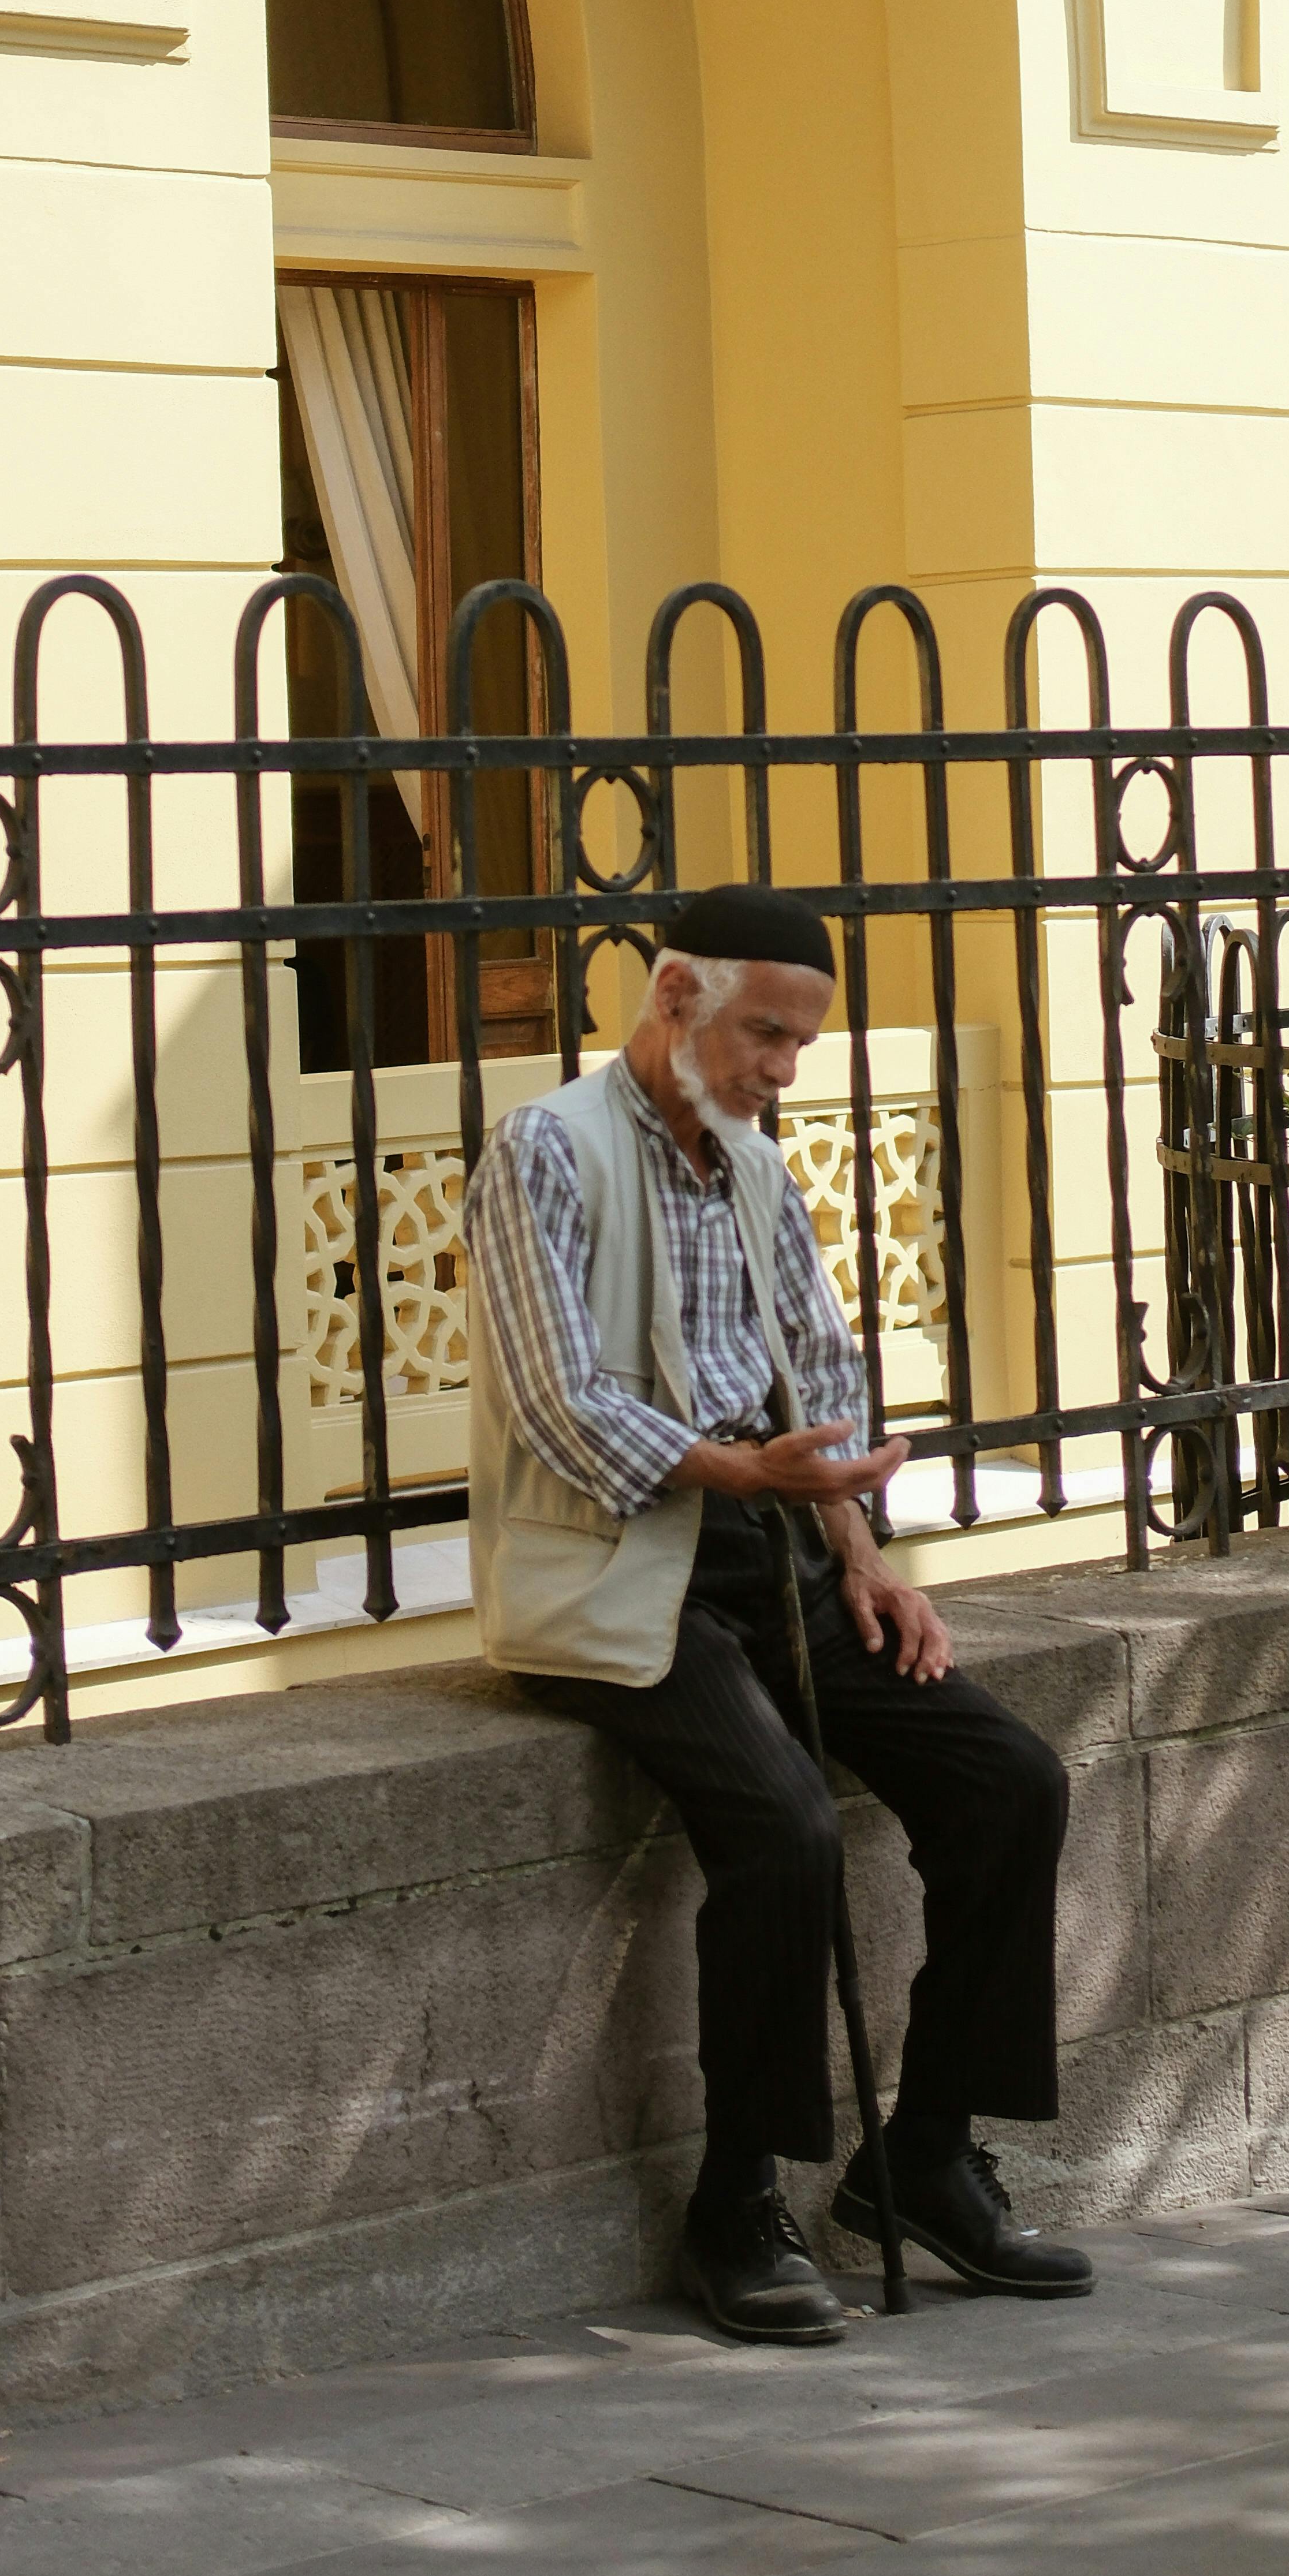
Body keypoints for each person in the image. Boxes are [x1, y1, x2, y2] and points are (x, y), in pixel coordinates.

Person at [463, 880, 1091, 2347]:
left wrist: (859, 1551)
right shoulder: (543, 1152)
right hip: (624, 1573)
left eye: (801, 1045)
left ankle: (921, 2155)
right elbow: (560, 1402)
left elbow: (813, 1359)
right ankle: (732, 2201)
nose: (781, 1070)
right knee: (783, 1827)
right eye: (764, 1035)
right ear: (674, 996)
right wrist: (738, 1469)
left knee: (1009, 1781)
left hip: (776, 1558)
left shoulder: (751, 1164)